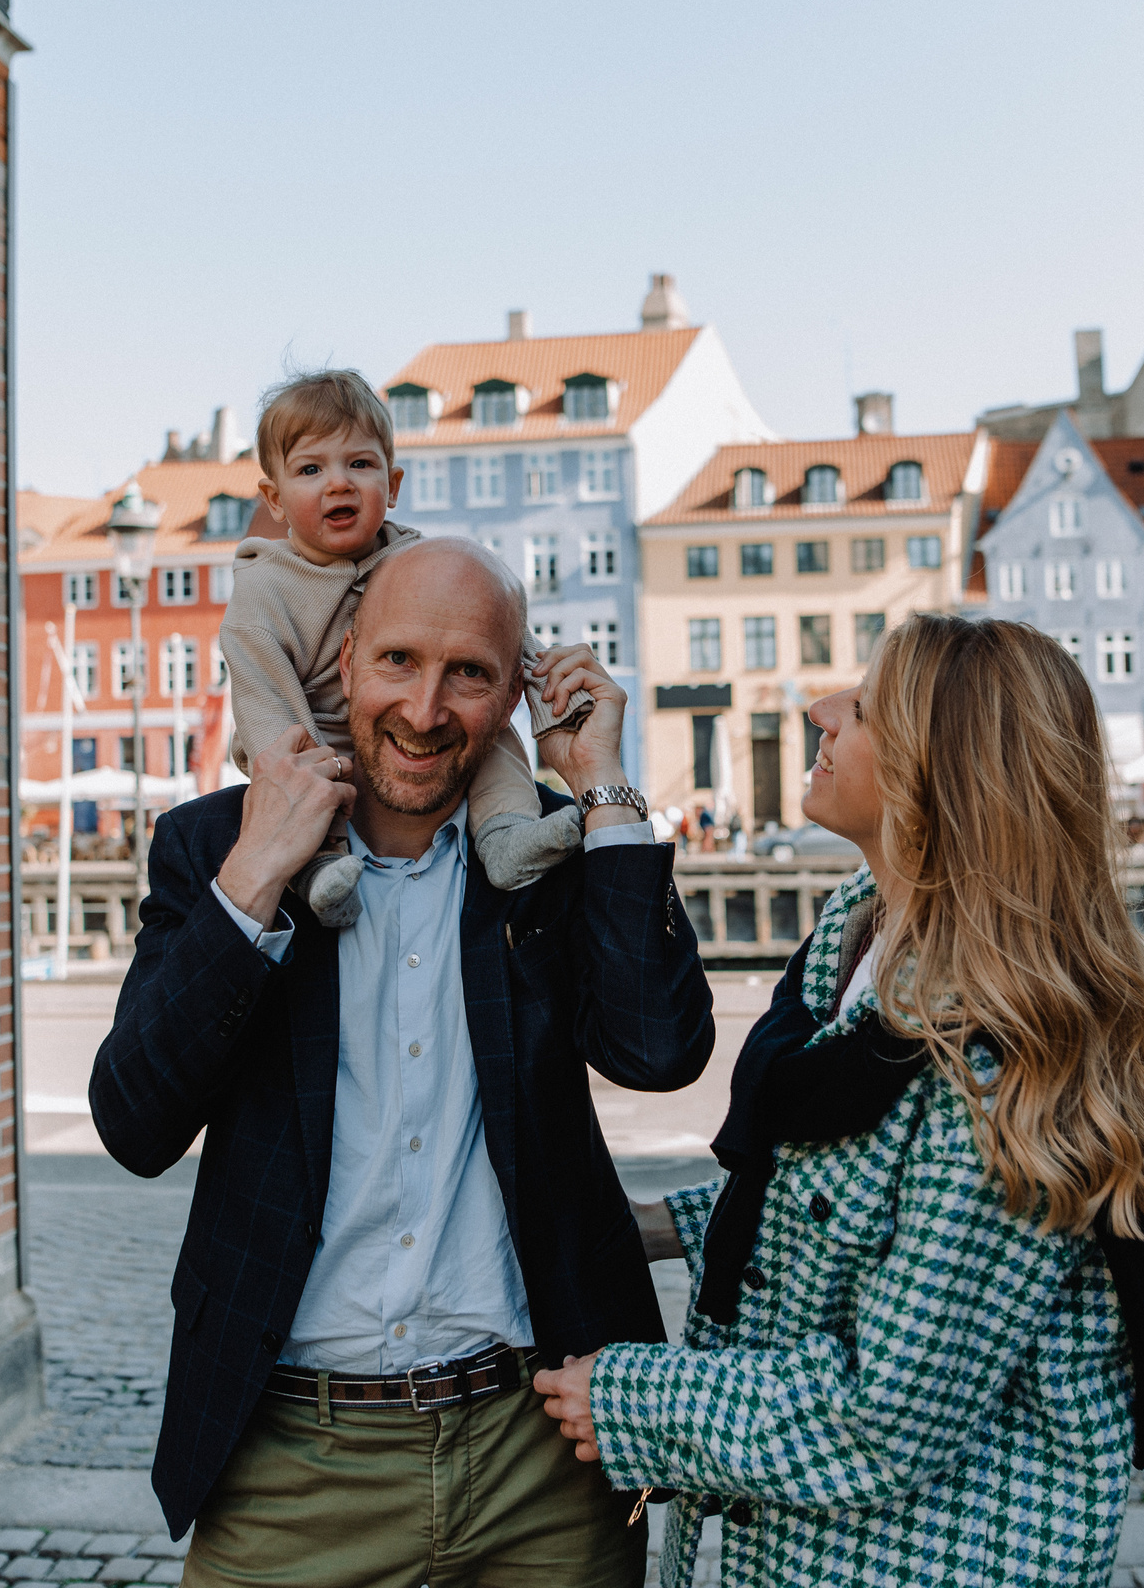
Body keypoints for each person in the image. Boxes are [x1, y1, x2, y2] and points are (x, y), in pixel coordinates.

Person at [89, 536, 714, 1587]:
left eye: (468, 673)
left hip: (541, 1458)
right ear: (344, 662)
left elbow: (659, 1051)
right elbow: (135, 1122)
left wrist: (601, 784)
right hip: (292, 1465)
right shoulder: (214, 847)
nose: (426, 711)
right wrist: (257, 872)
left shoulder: (552, 857)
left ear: (514, 691)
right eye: (398, 663)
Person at [533, 614, 1144, 1588]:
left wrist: (626, 1398)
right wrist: (651, 1226)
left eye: (867, 706)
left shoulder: (1000, 1060)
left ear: (944, 775)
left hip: (942, 1557)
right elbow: (848, 1206)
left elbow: (884, 1419)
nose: (817, 711)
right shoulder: (862, 945)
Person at [218, 369, 589, 928]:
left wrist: (557, 696)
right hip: (313, 737)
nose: (338, 483)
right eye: (311, 468)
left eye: (359, 464)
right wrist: (312, 803)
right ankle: (320, 869)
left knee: (483, 728)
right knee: (295, 777)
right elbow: (265, 700)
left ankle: (506, 833)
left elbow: (499, 642)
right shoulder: (263, 591)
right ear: (274, 498)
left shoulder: (414, 561)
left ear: (392, 486)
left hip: (418, 748)